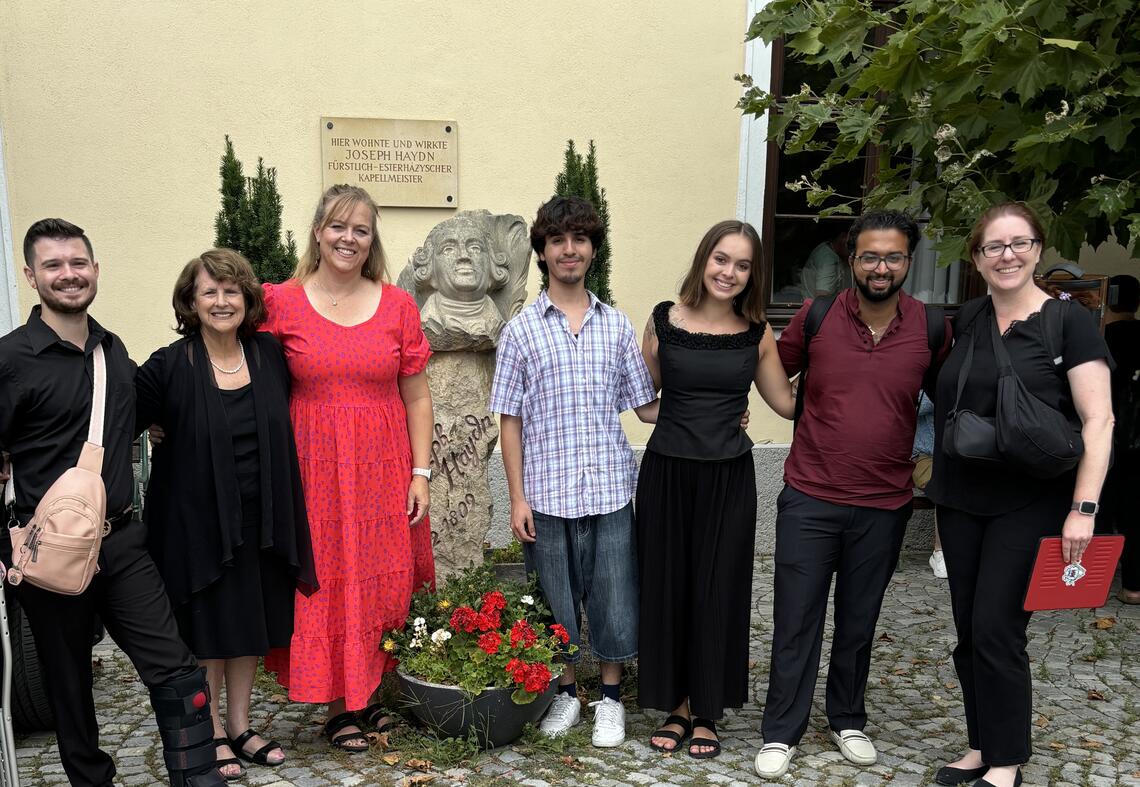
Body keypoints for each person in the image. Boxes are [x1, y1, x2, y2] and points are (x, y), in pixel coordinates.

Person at [0, 219, 225, 787]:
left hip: (121, 541)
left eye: (78, 263)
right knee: (69, 688)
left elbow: (144, 412)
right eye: (53, 266)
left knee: (176, 671)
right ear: (31, 275)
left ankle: (198, 777)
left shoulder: (112, 350)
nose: (68, 275)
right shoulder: (9, 360)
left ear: (95, 270)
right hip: (46, 551)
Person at [754, 209, 951, 780]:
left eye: (893, 256)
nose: (881, 267)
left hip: (885, 503)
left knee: (860, 619)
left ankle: (846, 718)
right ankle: (781, 731)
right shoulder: (816, 316)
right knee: (796, 618)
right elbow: (773, 368)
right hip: (810, 496)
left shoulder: (931, 328)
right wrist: (791, 410)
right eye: (870, 256)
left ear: (908, 261)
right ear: (851, 260)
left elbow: (947, 396)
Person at [925, 203, 1112, 787]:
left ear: (1037, 248)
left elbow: (1099, 420)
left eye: (1018, 243)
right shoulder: (971, 315)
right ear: (977, 258)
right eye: (993, 247)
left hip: (1029, 501)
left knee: (997, 629)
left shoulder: (1067, 322)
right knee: (967, 629)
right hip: (960, 498)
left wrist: (1083, 510)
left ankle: (1006, 763)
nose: (1006, 255)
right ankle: (982, 746)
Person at [260, 185, 436, 752]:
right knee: (329, 582)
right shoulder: (279, 302)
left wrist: (421, 473)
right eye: (338, 226)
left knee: (384, 581)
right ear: (317, 231)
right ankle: (338, 706)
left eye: (361, 230)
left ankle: (371, 697)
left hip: (383, 467)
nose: (348, 238)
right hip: (311, 470)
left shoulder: (396, 305)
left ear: (372, 239)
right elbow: (241, 374)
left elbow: (417, 397)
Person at [136, 249, 318, 779]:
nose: (221, 301)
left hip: (262, 516)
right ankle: (210, 729)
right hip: (196, 522)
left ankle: (240, 723)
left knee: (249, 624)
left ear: (247, 299)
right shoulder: (170, 365)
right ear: (191, 301)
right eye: (209, 291)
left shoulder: (268, 355)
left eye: (231, 290)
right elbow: (120, 414)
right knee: (208, 629)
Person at [489, 195, 658, 748]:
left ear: (592, 249)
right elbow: (508, 420)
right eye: (558, 240)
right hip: (546, 492)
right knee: (553, 599)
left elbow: (645, 405)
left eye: (580, 239)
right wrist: (517, 497)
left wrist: (712, 399)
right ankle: (566, 691)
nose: (569, 249)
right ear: (542, 250)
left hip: (609, 489)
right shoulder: (520, 331)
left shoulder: (616, 326)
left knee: (613, 595)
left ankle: (610, 699)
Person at [638, 220, 794, 759]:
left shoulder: (757, 332)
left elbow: (787, 403)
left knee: (718, 587)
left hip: (729, 476)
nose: (730, 272)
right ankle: (675, 706)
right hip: (667, 473)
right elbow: (641, 401)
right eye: (722, 259)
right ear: (704, 259)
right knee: (669, 586)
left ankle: (707, 709)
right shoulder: (662, 320)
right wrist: (690, 414)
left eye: (743, 265)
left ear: (754, 275)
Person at [411, 214, 511, 350]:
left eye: (475, 248)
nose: (464, 256)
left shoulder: (505, 327)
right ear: (430, 268)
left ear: (492, 265)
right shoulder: (425, 323)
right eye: (449, 249)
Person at [1100, 274, 1140, 604]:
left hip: (1104, 436)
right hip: (1138, 441)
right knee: (1135, 512)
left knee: (1097, 508)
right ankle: (1133, 587)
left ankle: (1087, 583)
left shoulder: (1101, 337)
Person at [912, 392, 946, 578]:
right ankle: (940, 550)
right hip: (924, 455)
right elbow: (916, 406)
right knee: (943, 482)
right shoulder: (925, 375)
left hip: (957, 452)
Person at [799, 223, 851, 300]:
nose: (853, 249)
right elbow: (822, 297)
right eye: (851, 243)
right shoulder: (828, 260)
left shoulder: (826, 248)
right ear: (843, 237)